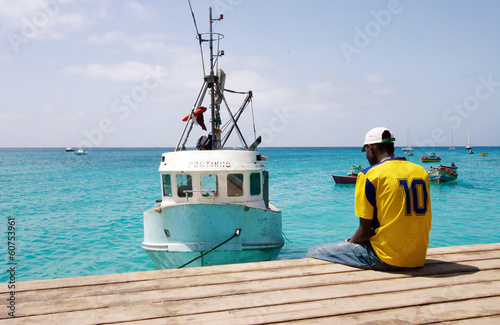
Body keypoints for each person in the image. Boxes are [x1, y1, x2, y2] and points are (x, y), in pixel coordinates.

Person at [307, 127, 432, 271]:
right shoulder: (421, 172)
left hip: (386, 258)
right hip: (417, 257)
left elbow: (365, 231)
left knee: (314, 252)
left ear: (371, 148)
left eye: (365, 151)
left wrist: (349, 242)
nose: (366, 156)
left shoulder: (370, 175)